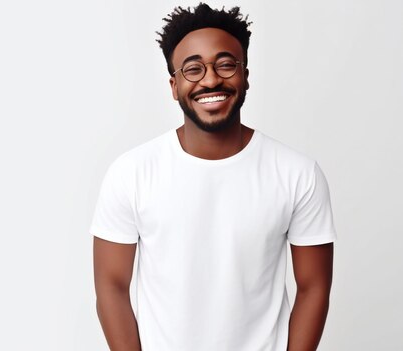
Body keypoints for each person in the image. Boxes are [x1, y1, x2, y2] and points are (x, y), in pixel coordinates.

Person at [90, 3, 336, 351]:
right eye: (193, 69)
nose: (210, 79)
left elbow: (314, 288)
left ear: (245, 75)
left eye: (225, 64)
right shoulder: (132, 172)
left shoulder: (298, 173)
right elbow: (112, 287)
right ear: (174, 86)